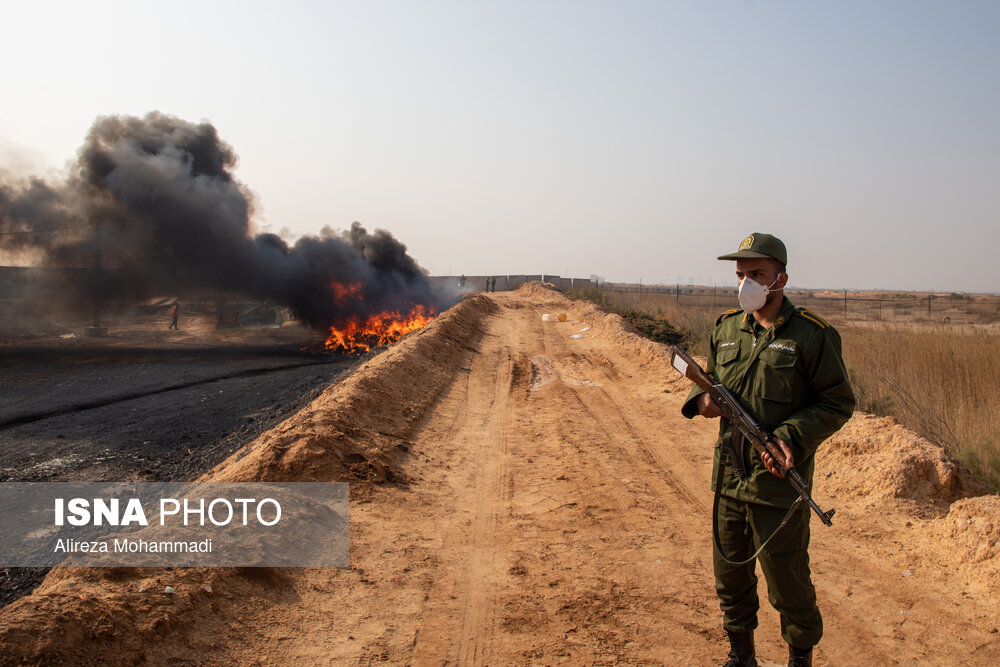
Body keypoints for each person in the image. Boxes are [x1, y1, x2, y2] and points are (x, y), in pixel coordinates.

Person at [680, 233, 854, 667]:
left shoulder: (812, 336)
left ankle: (799, 658)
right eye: (740, 275)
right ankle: (741, 656)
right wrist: (703, 403)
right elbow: (711, 388)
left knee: (787, 580)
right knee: (730, 576)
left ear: (781, 278)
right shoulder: (725, 328)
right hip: (729, 480)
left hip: (776, 486)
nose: (746, 285)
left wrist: (791, 436)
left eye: (756, 274)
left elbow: (837, 401)